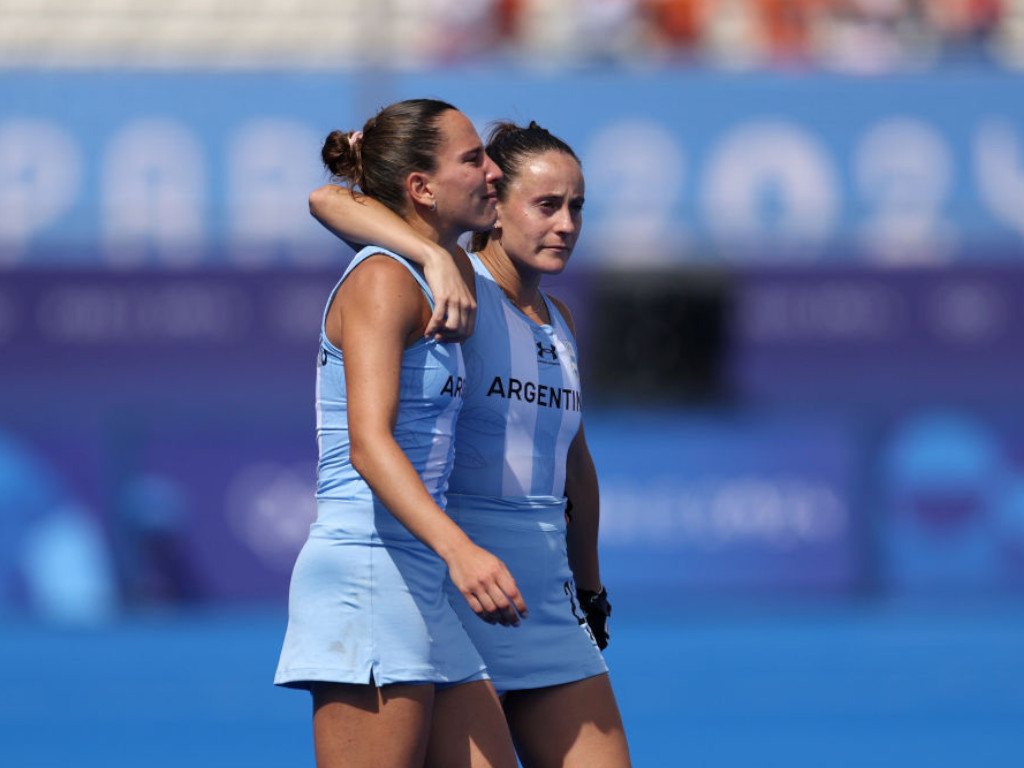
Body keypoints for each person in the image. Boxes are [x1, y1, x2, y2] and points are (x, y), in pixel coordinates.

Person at [309, 121, 632, 768]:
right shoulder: (459, 285)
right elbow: (328, 199)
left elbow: (576, 467)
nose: (566, 224)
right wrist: (429, 254)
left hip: (544, 602)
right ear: (494, 205)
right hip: (462, 594)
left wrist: (591, 589)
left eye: (576, 207)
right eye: (546, 205)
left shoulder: (561, 321)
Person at [274, 98, 528, 768]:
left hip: (417, 578)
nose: (493, 172)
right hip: (368, 572)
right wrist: (462, 551)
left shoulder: (432, 269)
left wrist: (430, 251)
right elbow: (369, 444)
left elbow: (334, 202)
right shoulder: (386, 279)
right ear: (420, 187)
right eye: (473, 159)